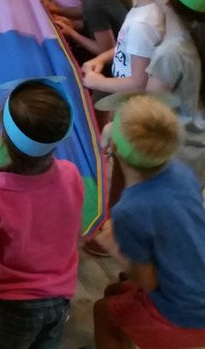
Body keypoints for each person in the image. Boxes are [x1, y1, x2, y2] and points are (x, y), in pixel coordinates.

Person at [0, 78, 83, 349]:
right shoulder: (71, 174)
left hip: (12, 306)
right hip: (60, 298)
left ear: (3, 134)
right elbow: (73, 234)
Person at [91, 95, 205, 348]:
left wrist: (114, 248)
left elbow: (146, 281)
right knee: (114, 292)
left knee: (103, 312)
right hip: (195, 285)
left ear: (114, 146)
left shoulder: (130, 210)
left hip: (184, 316)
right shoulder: (182, 173)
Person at [82, 0, 177, 96]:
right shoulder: (149, 7)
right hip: (123, 84)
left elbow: (139, 83)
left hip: (128, 95)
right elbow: (128, 46)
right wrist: (101, 58)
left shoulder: (142, 24)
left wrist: (98, 82)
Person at [145, 0, 205, 179]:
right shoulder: (193, 36)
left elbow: (149, 111)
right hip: (194, 150)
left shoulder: (169, 53)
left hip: (174, 157)